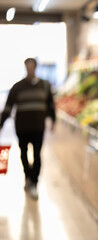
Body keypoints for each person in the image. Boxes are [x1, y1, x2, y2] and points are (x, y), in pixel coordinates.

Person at [0, 57, 56, 200]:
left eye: (32, 66)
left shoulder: (44, 85)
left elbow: (50, 105)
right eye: (27, 67)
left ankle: (34, 183)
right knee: (23, 154)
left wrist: (53, 120)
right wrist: (1, 124)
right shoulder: (17, 87)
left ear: (35, 67)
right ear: (25, 67)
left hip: (38, 127)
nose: (29, 69)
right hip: (22, 127)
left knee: (37, 154)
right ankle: (28, 177)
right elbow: (8, 107)